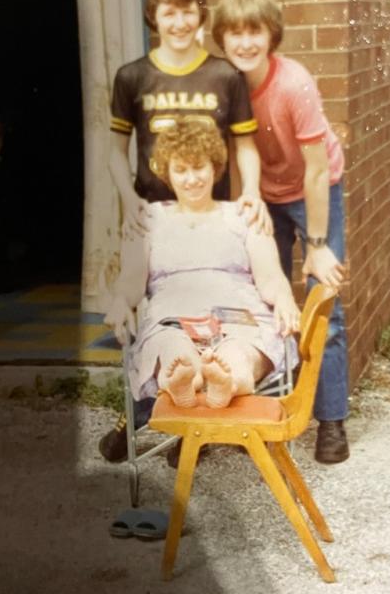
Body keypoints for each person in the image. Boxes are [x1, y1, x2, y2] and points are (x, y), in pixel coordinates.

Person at [99, 0, 269, 460]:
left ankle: (193, 426)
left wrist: (252, 192)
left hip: (205, 213)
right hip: (152, 215)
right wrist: (127, 198)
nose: (178, 21)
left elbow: (245, 145)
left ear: (200, 13)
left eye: (187, 10)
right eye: (168, 11)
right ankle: (146, 418)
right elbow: (115, 148)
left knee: (209, 319)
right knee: (153, 321)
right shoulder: (132, 76)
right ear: (155, 16)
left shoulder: (223, 75)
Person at [212, 0, 350, 464]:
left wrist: (317, 244)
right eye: (235, 33)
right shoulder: (226, 85)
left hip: (314, 190)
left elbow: (315, 170)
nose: (245, 43)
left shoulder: (294, 83)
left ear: (272, 35)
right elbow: (233, 155)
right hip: (262, 194)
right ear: (223, 39)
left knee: (322, 301)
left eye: (255, 32)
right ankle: (255, 408)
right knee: (252, 301)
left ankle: (330, 420)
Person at [104, 117, 299, 410]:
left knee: (239, 353)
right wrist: (120, 300)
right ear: (168, 174)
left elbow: (270, 278)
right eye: (180, 170)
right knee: (173, 350)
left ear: (214, 167)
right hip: (173, 318)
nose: (191, 179)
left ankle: (226, 382)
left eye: (199, 167)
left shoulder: (243, 215)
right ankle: (185, 380)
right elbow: (132, 281)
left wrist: (284, 298)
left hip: (240, 318)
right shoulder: (148, 219)